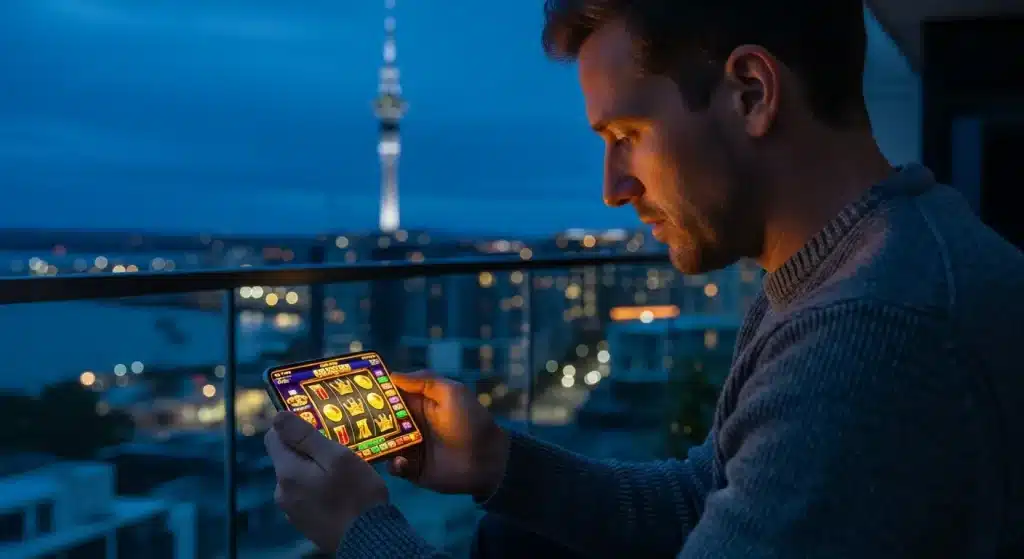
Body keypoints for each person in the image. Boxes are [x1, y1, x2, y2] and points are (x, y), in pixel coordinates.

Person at [264, 0, 1024, 556]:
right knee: (513, 536)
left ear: (752, 92)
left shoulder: (873, 329)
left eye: (627, 135)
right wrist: (499, 462)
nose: (611, 187)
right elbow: (707, 499)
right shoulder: (863, 257)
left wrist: (362, 533)